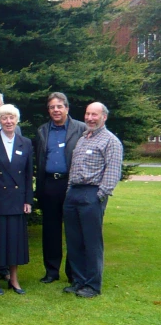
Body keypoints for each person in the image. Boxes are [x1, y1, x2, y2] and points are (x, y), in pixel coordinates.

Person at [63, 102, 123, 298]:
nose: (90, 118)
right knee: (74, 241)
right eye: (88, 114)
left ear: (104, 117)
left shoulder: (110, 141)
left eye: (94, 115)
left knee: (91, 242)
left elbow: (113, 173)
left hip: (92, 194)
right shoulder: (83, 138)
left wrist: (99, 195)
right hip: (74, 193)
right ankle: (78, 281)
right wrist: (69, 190)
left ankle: (92, 285)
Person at [34, 92, 85, 284]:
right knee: (50, 231)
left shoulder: (80, 128)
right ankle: (51, 271)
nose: (56, 110)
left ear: (67, 108)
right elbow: (39, 160)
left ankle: (73, 272)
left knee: (74, 230)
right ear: (48, 110)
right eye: (52, 107)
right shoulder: (42, 131)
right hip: (50, 185)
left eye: (59, 106)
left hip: (71, 184)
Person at [0, 104, 33, 296]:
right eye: (4, 118)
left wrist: (28, 199)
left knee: (14, 241)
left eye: (12, 118)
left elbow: (28, 174)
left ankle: (14, 279)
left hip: (17, 200)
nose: (8, 121)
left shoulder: (25, 142)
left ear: (17, 120)